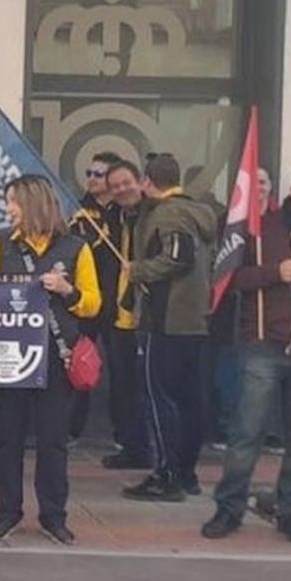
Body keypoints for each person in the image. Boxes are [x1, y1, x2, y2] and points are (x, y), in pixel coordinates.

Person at [202, 167, 291, 544]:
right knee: (246, 435)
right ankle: (228, 510)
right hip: (262, 346)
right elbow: (226, 280)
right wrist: (273, 273)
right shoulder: (260, 230)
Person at [0, 175, 101, 545]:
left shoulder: (76, 248)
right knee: (7, 438)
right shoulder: (0, 245)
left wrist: (67, 290)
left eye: (14, 201)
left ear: (33, 203)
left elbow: (94, 304)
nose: (9, 209)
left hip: (56, 354)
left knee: (53, 440)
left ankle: (53, 515)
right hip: (10, 354)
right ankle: (7, 511)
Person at [119, 153, 218, 503]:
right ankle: (186, 472)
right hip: (195, 321)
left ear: (148, 182)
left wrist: (140, 270)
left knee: (159, 397)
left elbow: (178, 255)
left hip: (166, 320)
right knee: (188, 400)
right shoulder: (199, 211)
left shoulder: (168, 213)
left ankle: (167, 474)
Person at [67, 152, 122, 446]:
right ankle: (72, 429)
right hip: (86, 298)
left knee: (120, 369)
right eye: (89, 172)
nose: (91, 178)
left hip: (117, 300)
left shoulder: (125, 212)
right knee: (78, 362)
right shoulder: (78, 210)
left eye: (98, 174)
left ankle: (122, 433)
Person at [100, 160, 150, 470]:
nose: (121, 189)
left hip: (148, 315)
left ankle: (149, 449)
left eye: (125, 182)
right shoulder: (111, 217)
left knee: (147, 387)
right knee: (123, 385)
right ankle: (131, 445)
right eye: (115, 186)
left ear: (141, 181)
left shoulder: (154, 214)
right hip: (117, 315)